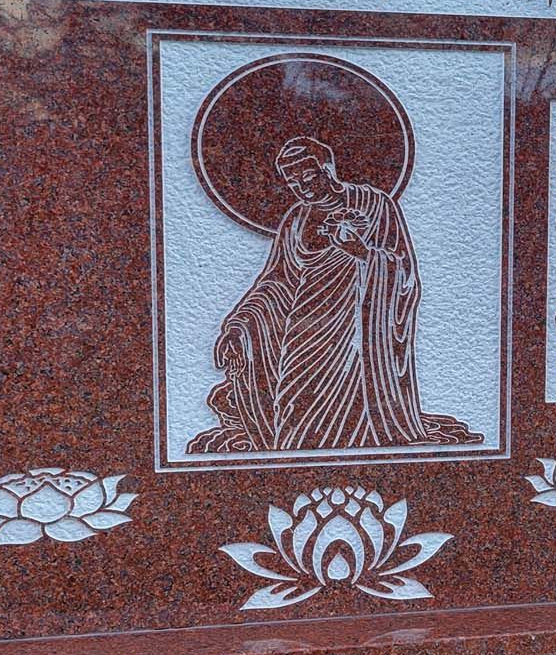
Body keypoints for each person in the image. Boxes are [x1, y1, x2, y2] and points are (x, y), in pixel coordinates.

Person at [188, 135, 478, 454]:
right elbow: (275, 280)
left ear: (328, 167)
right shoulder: (295, 221)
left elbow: (403, 272)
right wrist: (237, 327)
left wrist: (363, 253)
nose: (301, 186)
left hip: (357, 330)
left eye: (307, 175)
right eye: (291, 180)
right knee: (296, 407)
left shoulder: (376, 206)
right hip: (305, 330)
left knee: (356, 412)